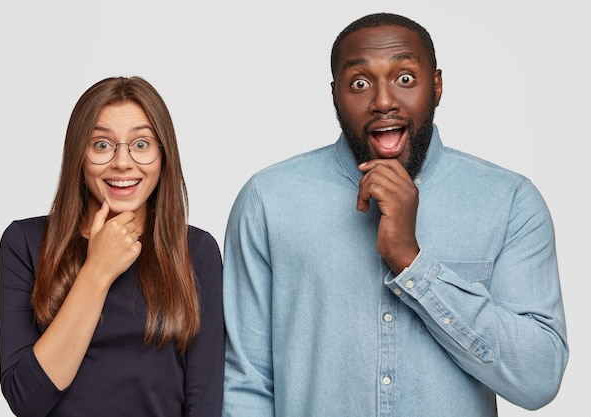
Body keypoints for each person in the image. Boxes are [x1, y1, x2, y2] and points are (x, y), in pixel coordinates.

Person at [221, 12, 568, 417]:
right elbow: (246, 384)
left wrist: (412, 263)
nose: (383, 101)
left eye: (405, 78)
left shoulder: (510, 202)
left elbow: (540, 378)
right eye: (360, 83)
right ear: (335, 95)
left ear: (436, 86)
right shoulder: (269, 201)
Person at [0, 76, 224, 416]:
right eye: (102, 145)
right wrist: (97, 271)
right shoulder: (25, 243)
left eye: (141, 144)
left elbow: (203, 401)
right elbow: (26, 401)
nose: (122, 162)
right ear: (79, 154)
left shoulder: (196, 251)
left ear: (164, 156)